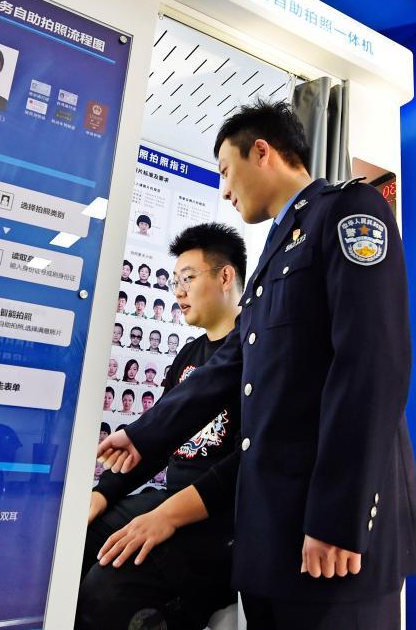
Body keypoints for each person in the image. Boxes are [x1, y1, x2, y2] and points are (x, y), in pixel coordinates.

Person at [97, 101, 416, 629]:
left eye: (225, 171)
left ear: (261, 152)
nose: (224, 191)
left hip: (332, 535)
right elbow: (227, 366)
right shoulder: (275, 253)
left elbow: (373, 365)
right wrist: (143, 435)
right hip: (273, 537)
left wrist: (339, 516)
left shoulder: (347, 211)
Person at [78, 223, 248, 630]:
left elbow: (250, 459)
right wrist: (103, 492)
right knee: (79, 538)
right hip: (169, 498)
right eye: (175, 282)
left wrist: (167, 515)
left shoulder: (257, 351)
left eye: (188, 278)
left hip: (218, 517)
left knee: (109, 586)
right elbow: (154, 440)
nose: (178, 292)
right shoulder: (188, 355)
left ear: (225, 276)